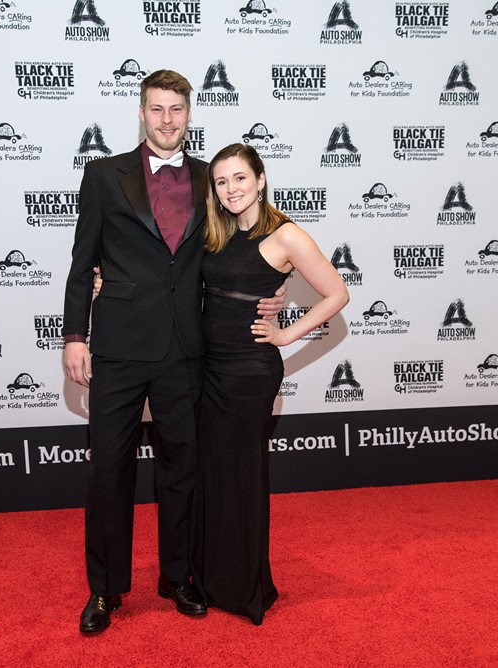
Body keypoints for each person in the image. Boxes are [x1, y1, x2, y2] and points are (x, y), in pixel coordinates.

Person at [62, 71, 283, 635]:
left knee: (182, 469)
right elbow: (80, 260)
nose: (167, 119)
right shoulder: (103, 175)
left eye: (176, 110)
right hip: (118, 346)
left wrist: (272, 287)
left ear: (189, 114)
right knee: (109, 470)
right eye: (157, 109)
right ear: (142, 113)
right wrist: (75, 336)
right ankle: (105, 590)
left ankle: (180, 576)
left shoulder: (213, 177)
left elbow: (245, 243)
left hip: (188, 347)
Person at [192, 143, 349, 625]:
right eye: (221, 182)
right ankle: (209, 578)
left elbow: (337, 293)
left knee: (241, 477)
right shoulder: (214, 234)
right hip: (207, 368)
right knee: (212, 476)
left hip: (248, 373)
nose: (231, 189)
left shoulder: (287, 237)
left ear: (261, 180)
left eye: (240, 178)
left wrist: (285, 333)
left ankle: (246, 587)